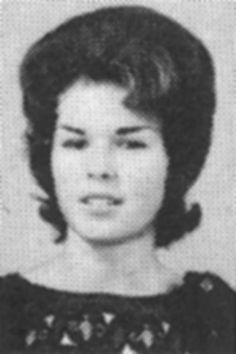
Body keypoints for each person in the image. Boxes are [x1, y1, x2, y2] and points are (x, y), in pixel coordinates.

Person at [0, 5, 235, 354]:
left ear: (177, 158)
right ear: (48, 154)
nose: (99, 168)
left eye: (130, 143)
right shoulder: (7, 312)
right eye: (75, 142)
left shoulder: (214, 316)